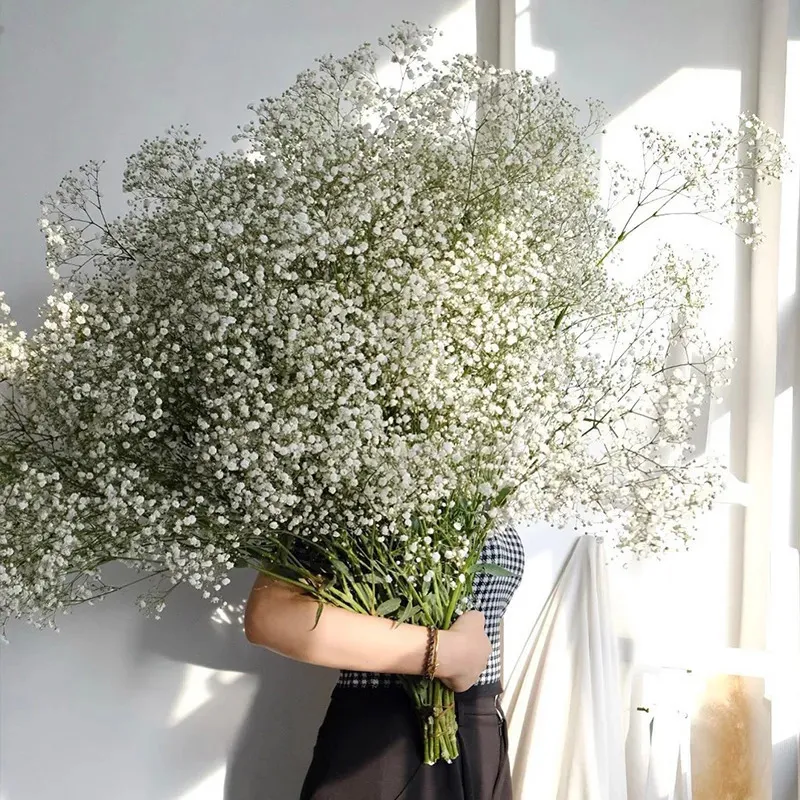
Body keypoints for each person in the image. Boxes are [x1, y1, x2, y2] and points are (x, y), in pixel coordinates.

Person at [244, 526, 526, 799]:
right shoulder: (351, 490)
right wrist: (443, 653)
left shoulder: (489, 485)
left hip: (481, 732)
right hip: (390, 732)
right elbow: (271, 616)